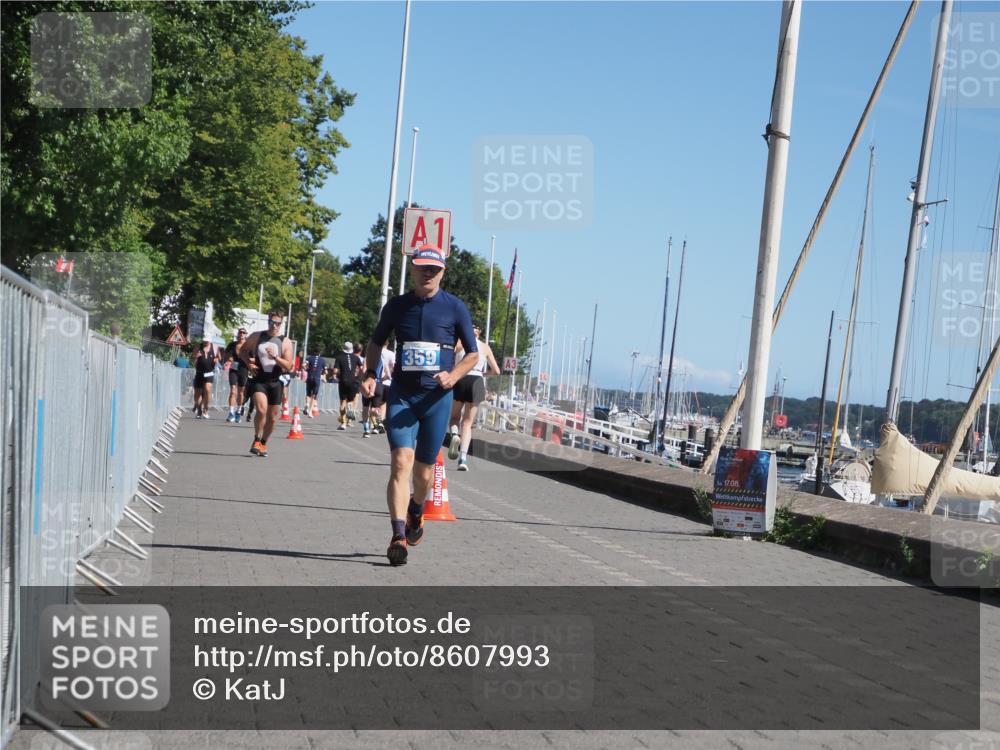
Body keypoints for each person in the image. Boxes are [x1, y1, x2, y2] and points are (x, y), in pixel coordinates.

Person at [361, 244, 478, 566]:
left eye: (434, 269)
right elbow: (376, 343)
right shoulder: (397, 306)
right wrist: (370, 372)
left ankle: (416, 508)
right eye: (422, 267)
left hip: (437, 400)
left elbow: (472, 354)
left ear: (443, 272)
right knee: (401, 462)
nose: (428, 273)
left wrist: (453, 376)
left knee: (424, 471)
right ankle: (398, 535)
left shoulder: (455, 308)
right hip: (402, 395)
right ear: (412, 269)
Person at [240, 311, 295, 457]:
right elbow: (242, 351)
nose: (274, 326)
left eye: (277, 323)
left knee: (272, 418)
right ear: (268, 322)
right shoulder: (257, 336)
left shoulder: (285, 341)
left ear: (281, 324)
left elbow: (289, 366)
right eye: (272, 322)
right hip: (259, 381)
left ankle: (264, 443)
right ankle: (256, 439)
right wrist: (249, 365)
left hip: (275, 383)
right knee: (262, 410)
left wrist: (275, 357)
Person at [449, 323, 501, 470]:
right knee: (467, 422)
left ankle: (454, 435)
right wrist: (484, 374)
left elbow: (448, 360)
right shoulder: (485, 347)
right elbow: (496, 371)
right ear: (479, 332)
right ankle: (463, 459)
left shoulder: (459, 343)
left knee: (454, 417)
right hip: (477, 381)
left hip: (460, 379)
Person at [332, 342, 362, 430]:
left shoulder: (339, 357)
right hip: (353, 381)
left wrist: (337, 374)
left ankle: (343, 423)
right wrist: (358, 376)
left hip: (343, 381)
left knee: (342, 402)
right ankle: (350, 407)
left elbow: (335, 370)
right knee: (350, 400)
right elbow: (362, 368)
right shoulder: (356, 357)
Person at [224, 328, 249, 423]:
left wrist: (249, 363)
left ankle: (238, 411)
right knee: (233, 391)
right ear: (238, 334)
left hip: (243, 369)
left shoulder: (248, 345)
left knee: (241, 392)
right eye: (240, 332)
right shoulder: (232, 344)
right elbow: (225, 354)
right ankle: (231, 413)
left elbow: (253, 357)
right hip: (233, 369)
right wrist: (228, 358)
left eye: (243, 332)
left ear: (246, 334)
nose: (241, 334)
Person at [192, 339, 219, 418]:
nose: (206, 342)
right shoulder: (198, 347)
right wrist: (196, 357)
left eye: (207, 341)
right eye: (205, 341)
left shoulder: (214, 347)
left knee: (208, 389)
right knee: (197, 394)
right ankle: (199, 409)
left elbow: (218, 357)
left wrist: (216, 360)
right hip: (199, 373)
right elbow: (192, 361)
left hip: (209, 373)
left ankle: (206, 409)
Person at [304, 345, 327, 418]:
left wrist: (307, 370)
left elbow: (303, 365)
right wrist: (322, 373)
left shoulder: (309, 358)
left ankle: (307, 404)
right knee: (314, 395)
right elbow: (326, 371)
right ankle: (310, 411)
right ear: (320, 352)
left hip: (310, 377)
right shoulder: (323, 360)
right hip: (317, 378)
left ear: (314, 352)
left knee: (308, 393)